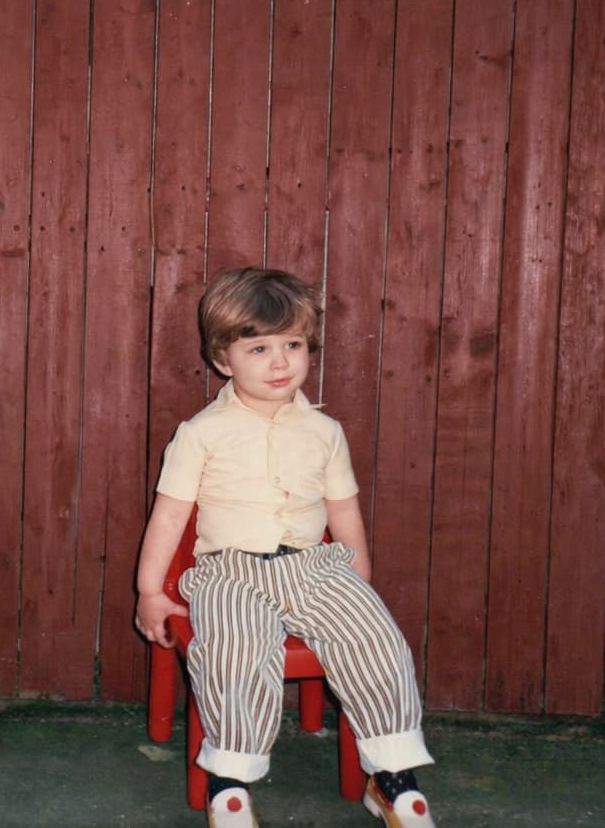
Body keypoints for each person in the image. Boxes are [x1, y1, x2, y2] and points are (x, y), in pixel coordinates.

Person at [134, 268, 436, 828]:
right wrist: (150, 591)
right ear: (224, 359)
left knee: (377, 639)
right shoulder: (201, 432)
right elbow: (170, 516)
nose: (280, 362)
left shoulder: (325, 433)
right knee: (234, 652)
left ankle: (392, 778)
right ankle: (230, 781)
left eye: (293, 345)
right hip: (230, 573)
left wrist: (358, 585)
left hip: (314, 568)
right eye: (260, 348)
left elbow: (343, 511)